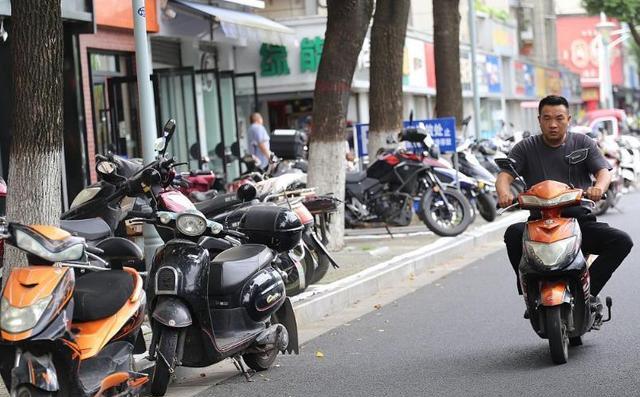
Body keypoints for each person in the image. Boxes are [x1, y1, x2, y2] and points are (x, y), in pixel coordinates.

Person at [496, 95, 633, 306]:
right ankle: (529, 289)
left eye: (559, 118)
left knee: (622, 241)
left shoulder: (583, 142)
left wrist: (598, 188)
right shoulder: (525, 147)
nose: (553, 124)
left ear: (568, 119)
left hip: (579, 222)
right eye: (547, 118)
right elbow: (504, 176)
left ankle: (586, 293)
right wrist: (504, 193)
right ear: (539, 120)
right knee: (513, 234)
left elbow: (603, 171)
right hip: (538, 223)